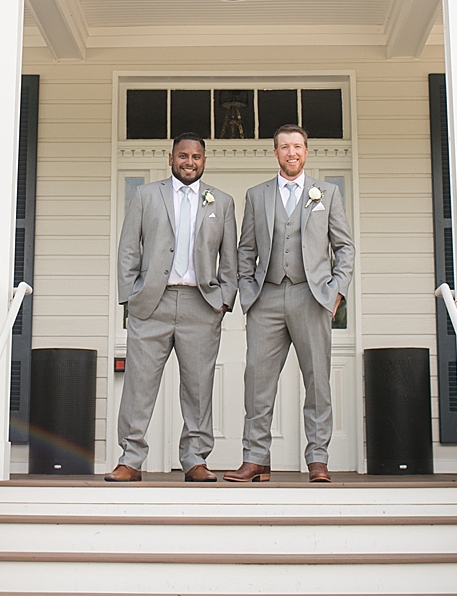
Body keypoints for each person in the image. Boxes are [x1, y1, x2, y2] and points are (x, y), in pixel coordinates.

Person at [106, 133, 238, 483]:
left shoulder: (221, 202)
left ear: (204, 161)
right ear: (171, 158)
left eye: (196, 156)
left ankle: (195, 459)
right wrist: (130, 295)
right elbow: (128, 249)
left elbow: (231, 259)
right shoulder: (146, 196)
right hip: (152, 303)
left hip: (201, 304)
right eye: (183, 155)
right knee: (139, 384)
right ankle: (130, 459)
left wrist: (224, 299)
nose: (189, 162)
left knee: (198, 387)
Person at [226, 124, 353, 484]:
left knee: (318, 382)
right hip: (266, 297)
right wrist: (248, 290)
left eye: (297, 146)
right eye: (284, 147)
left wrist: (336, 291)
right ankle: (256, 459)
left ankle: (317, 459)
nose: (291, 153)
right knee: (257, 382)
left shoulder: (326, 193)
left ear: (306, 152)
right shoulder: (257, 195)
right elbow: (245, 249)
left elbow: (344, 247)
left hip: (312, 297)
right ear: (275, 153)